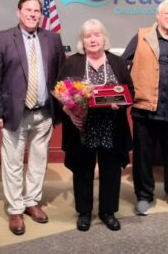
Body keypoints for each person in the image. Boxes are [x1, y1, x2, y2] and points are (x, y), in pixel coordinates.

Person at [0, 0, 66, 235]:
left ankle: (31, 201)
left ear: (41, 14)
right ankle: (16, 209)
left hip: (44, 113)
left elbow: (60, 76)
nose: (33, 14)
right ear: (18, 12)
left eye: (37, 10)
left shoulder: (52, 38)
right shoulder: (1, 39)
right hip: (13, 115)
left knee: (39, 162)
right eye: (28, 10)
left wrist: (62, 107)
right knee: (13, 164)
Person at [57, 19, 133, 232]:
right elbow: (60, 91)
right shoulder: (72, 63)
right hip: (82, 127)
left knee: (111, 171)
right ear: (82, 41)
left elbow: (130, 91)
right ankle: (84, 212)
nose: (92, 39)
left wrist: (121, 103)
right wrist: (69, 110)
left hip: (112, 127)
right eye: (87, 36)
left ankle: (108, 212)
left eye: (96, 35)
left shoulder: (117, 62)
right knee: (83, 170)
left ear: (104, 37)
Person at [123, 0, 168, 216]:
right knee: (143, 157)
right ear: (157, 15)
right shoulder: (142, 35)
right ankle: (144, 196)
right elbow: (122, 64)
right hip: (145, 109)